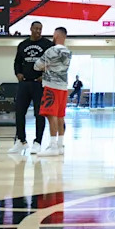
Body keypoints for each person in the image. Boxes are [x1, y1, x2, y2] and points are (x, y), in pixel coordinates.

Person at [8, 21, 53, 155]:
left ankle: (37, 142)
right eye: (36, 28)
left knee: (39, 114)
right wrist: (18, 74)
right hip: (24, 83)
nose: (38, 31)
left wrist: (45, 76)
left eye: (40, 29)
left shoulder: (47, 44)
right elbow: (17, 62)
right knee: (19, 112)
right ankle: (21, 141)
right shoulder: (23, 45)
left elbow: (52, 63)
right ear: (31, 29)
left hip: (39, 84)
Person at [34, 27, 72, 158]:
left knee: (51, 115)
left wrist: (46, 66)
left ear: (55, 35)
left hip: (51, 86)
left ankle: (53, 145)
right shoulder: (68, 52)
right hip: (63, 87)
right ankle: (60, 145)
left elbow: (37, 66)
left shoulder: (51, 51)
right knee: (60, 115)